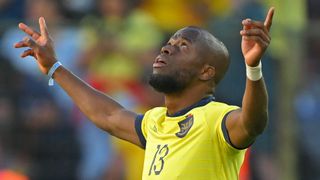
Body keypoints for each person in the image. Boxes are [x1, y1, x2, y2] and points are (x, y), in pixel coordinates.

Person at [14, 7, 274, 180]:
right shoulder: (155, 121)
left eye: (183, 45)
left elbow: (253, 122)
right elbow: (108, 114)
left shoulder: (217, 118)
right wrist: (54, 68)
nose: (167, 49)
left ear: (206, 72)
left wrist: (253, 67)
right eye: (169, 43)